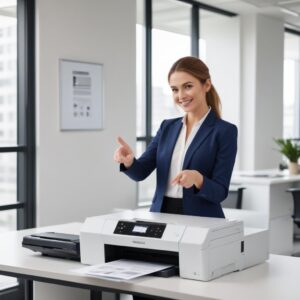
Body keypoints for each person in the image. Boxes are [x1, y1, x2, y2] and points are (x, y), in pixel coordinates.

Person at [114, 56, 237, 300]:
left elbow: (221, 191)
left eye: (188, 86)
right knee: (150, 289)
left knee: (190, 291)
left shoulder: (224, 131)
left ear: (206, 85)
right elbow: (141, 172)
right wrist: (129, 162)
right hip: (161, 219)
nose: (181, 95)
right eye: (174, 89)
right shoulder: (167, 127)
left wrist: (198, 179)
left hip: (201, 223)